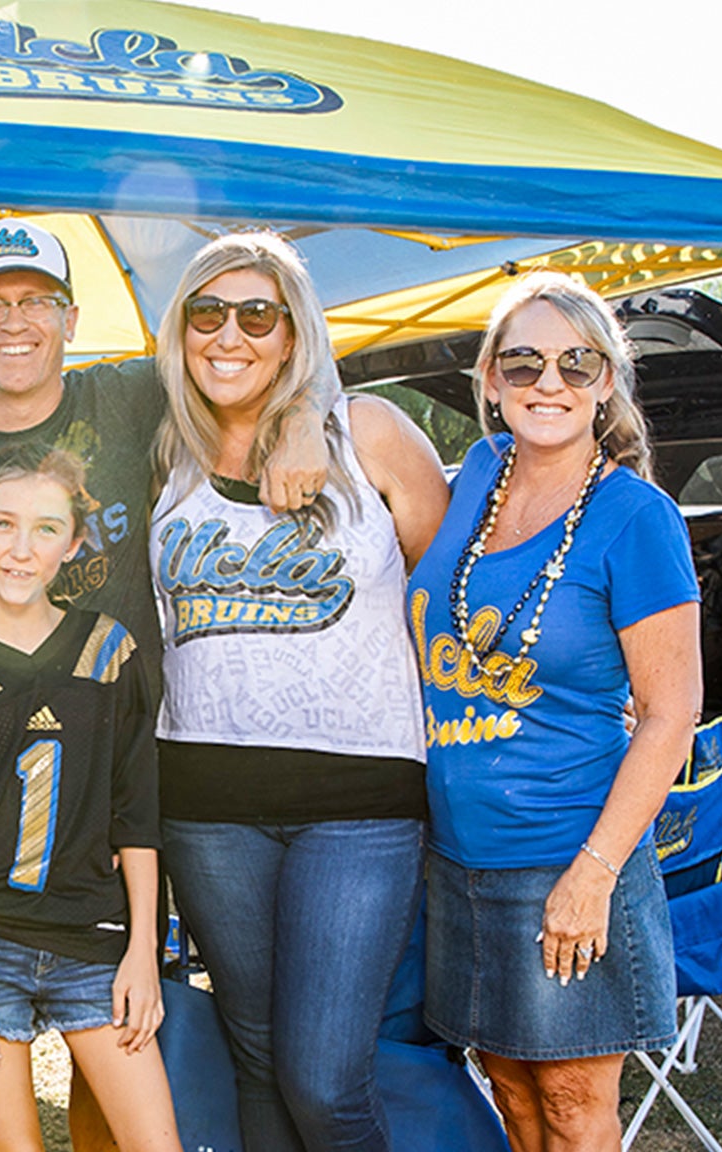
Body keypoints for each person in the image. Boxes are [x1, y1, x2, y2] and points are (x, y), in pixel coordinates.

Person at [147, 232, 450, 1152]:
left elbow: (441, 597)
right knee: (257, 1062)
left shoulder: (373, 436)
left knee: (324, 1081)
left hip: (357, 805)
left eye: (256, 314)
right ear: (181, 332)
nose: (227, 334)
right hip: (205, 806)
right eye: (207, 313)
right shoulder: (164, 452)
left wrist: (309, 411)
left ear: (293, 335)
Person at [406, 271, 701, 1152]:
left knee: (573, 1105)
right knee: (510, 1092)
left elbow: (670, 712)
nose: (550, 384)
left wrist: (594, 874)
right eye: (525, 362)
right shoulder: (479, 477)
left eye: (576, 364)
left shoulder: (635, 518)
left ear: (607, 380)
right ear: (490, 379)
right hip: (459, 859)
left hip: (567, 858)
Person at [0, 444, 180, 1152]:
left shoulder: (109, 650)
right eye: (2, 524)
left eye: (47, 529)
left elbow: (135, 809)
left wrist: (144, 951)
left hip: (94, 942)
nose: (21, 549)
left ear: (75, 542)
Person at [0, 221, 333, 660]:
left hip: (126, 721)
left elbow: (286, 354)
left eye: (36, 302)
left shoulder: (128, 396)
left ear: (69, 321)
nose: (15, 323)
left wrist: (304, 420)